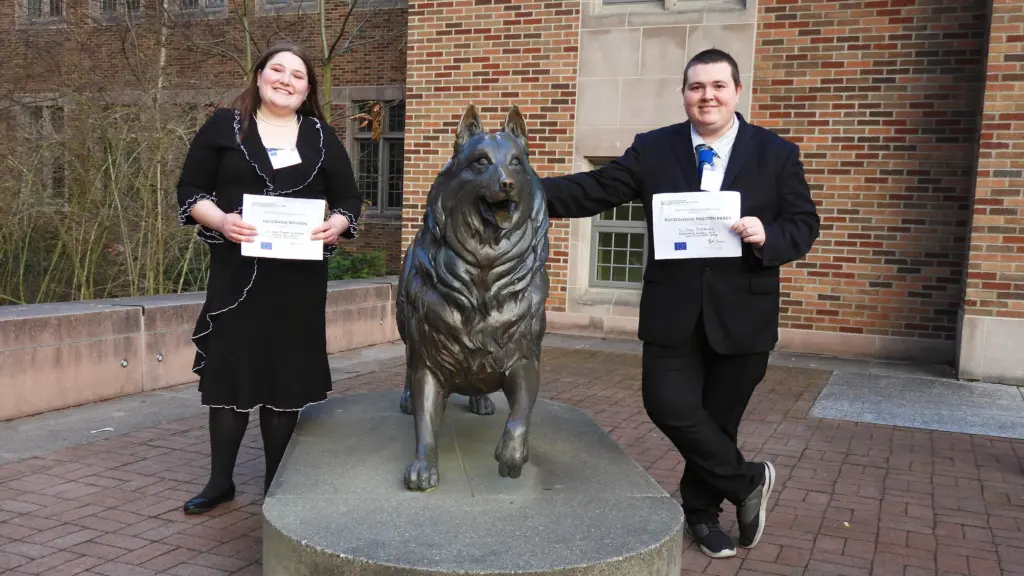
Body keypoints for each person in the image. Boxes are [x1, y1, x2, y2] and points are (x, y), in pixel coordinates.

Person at [540, 48, 820, 558]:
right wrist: (522, 191)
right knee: (666, 404)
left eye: (717, 86)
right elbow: (595, 190)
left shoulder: (776, 153)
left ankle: (703, 517)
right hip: (673, 312)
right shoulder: (656, 148)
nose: (706, 96)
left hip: (743, 315)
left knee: (718, 422)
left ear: (736, 91)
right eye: (696, 87)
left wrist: (769, 233)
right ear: (684, 94)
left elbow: (805, 225)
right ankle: (748, 480)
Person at [175, 43, 362, 514]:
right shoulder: (225, 126)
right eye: (276, 70)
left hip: (297, 281)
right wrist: (218, 220)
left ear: (307, 89)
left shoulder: (321, 136)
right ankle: (220, 482)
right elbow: (190, 189)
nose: (286, 79)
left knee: (284, 379)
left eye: (297, 75)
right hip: (237, 277)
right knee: (231, 376)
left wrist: (335, 225)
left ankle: (276, 483)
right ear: (258, 77)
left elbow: (348, 201)